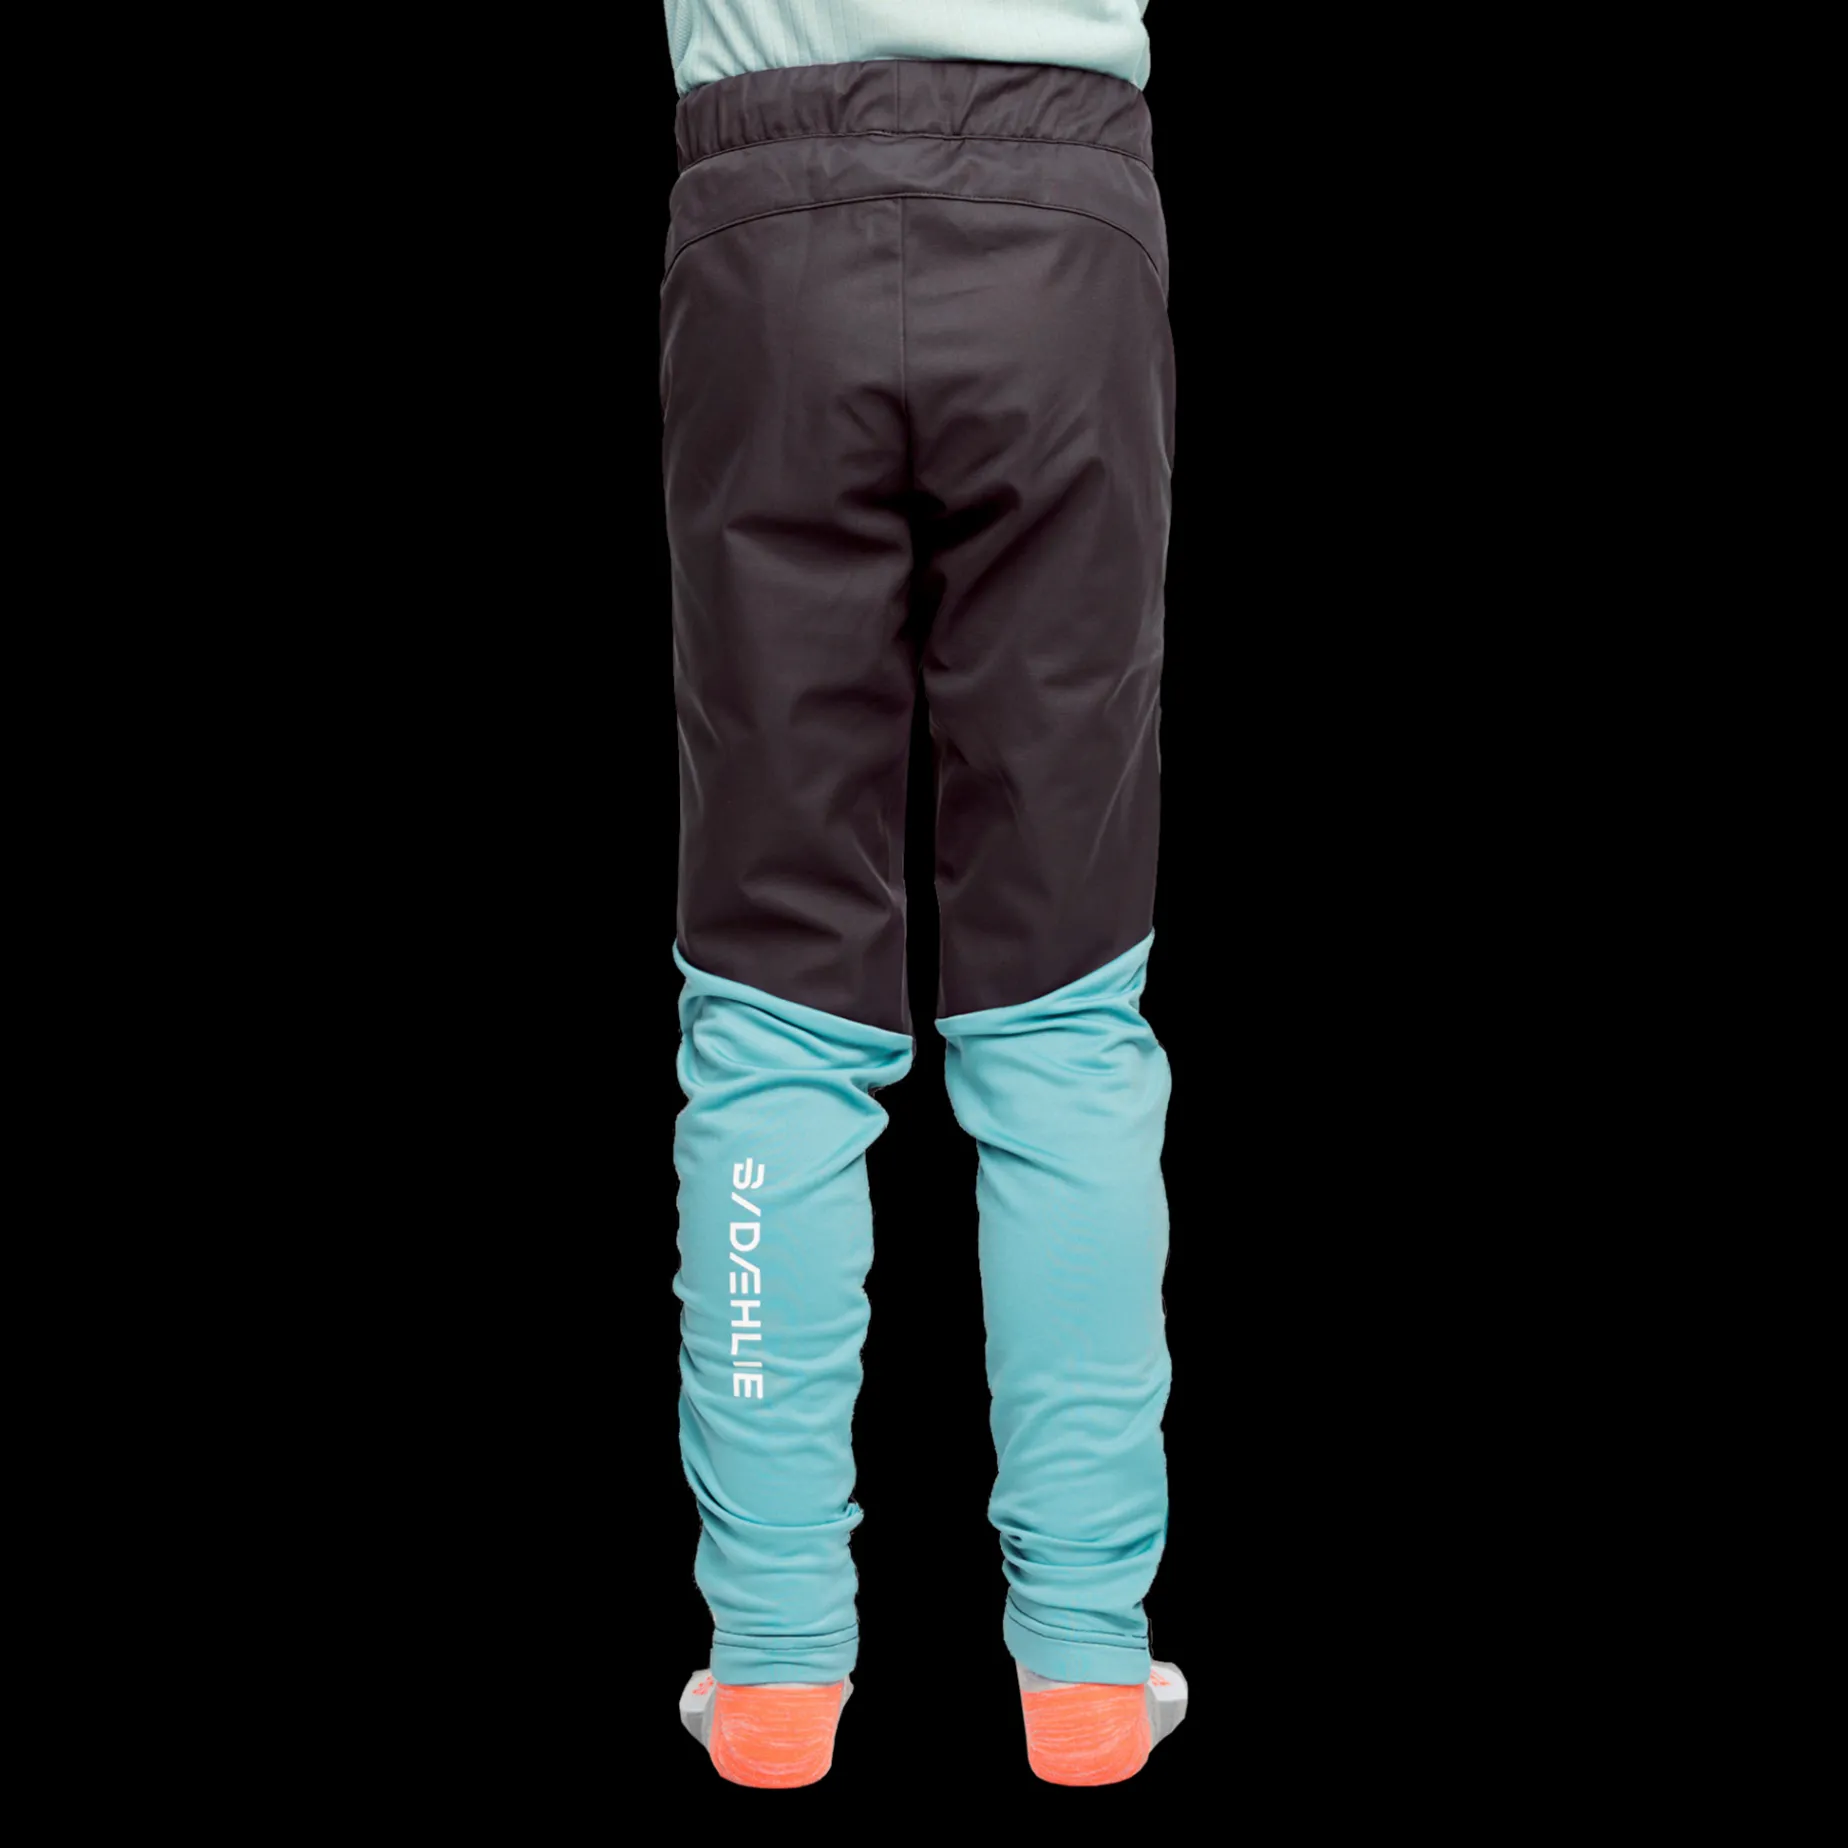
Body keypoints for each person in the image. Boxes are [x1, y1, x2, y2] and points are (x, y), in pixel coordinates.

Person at [661, 1, 1185, 1788]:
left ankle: (777, 1673)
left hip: (768, 233)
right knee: (1064, 1003)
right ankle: (1086, 1674)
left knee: (772, 999)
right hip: (1066, 234)